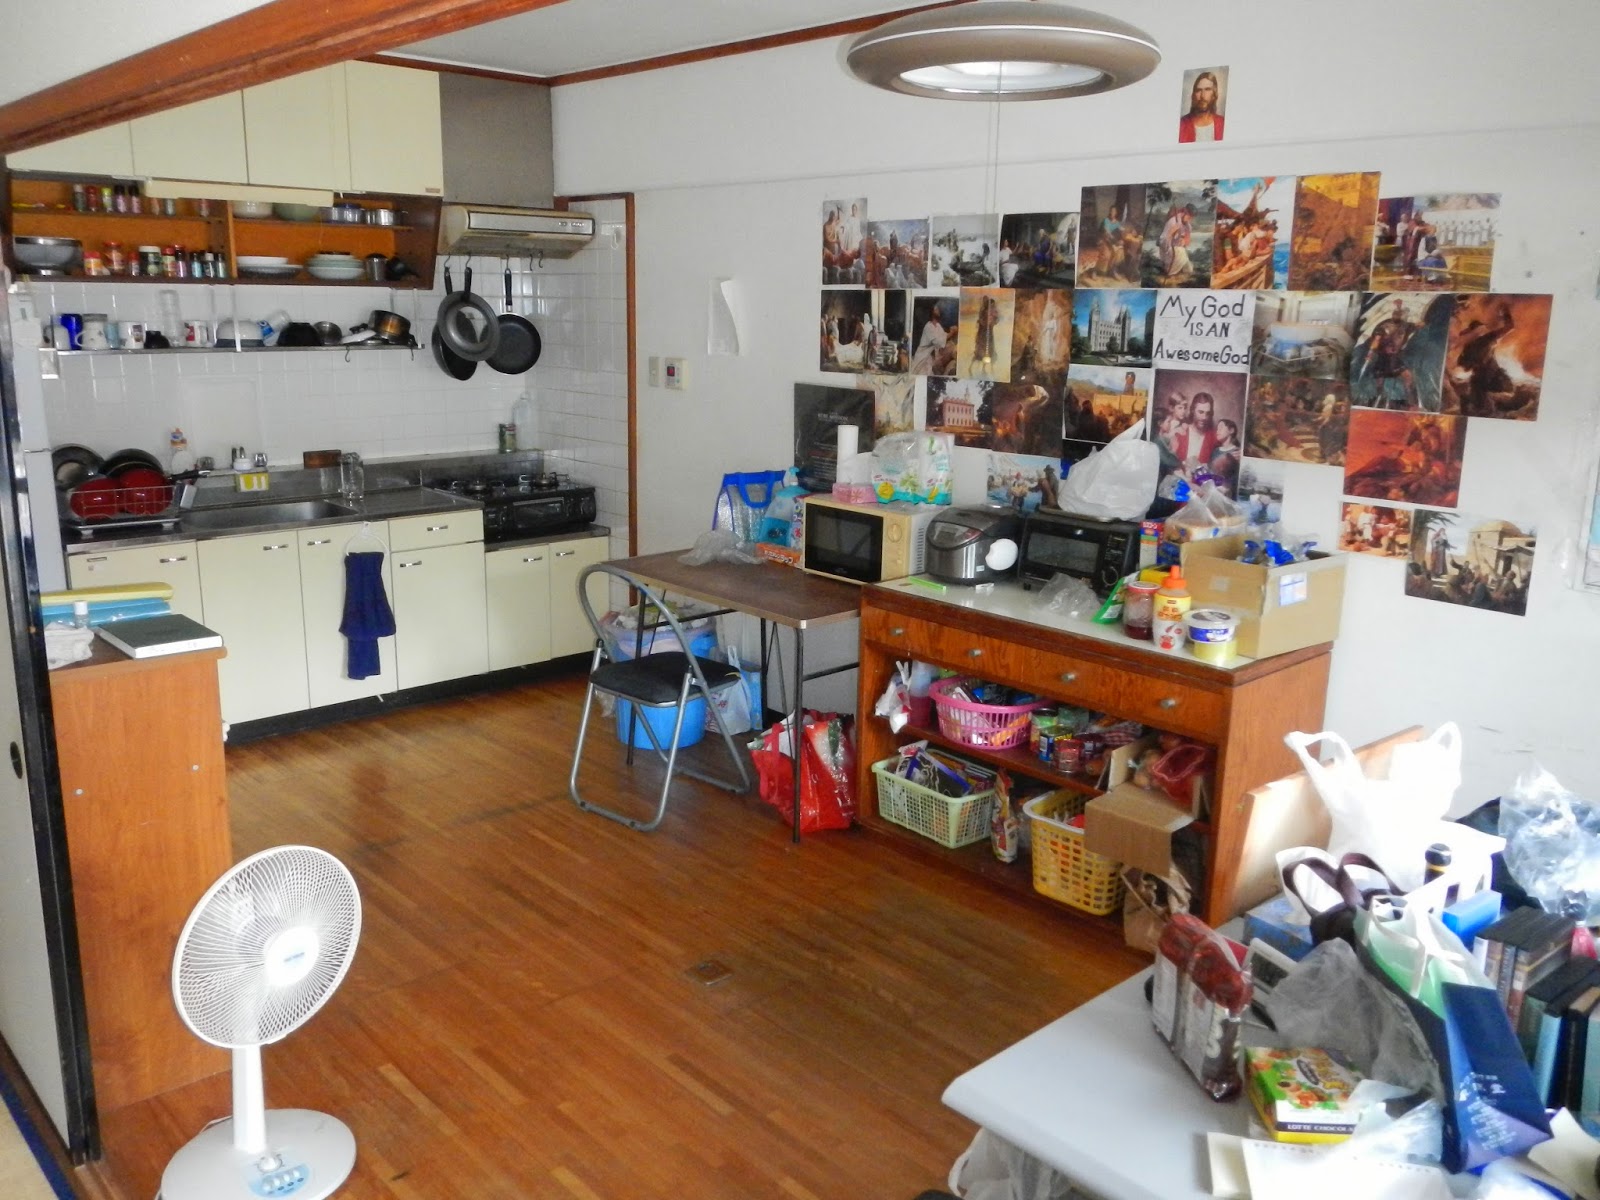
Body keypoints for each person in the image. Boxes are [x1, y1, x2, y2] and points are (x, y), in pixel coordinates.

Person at [1178, 71, 1225, 143]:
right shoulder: (1182, 124)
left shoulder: (1223, 123)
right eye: (1198, 90)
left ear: (1214, 95)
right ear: (1193, 95)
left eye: (1207, 89)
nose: (1202, 95)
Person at [911, 308, 948, 375]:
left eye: (938, 309)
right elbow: (938, 342)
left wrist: (951, 332)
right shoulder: (928, 326)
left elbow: (944, 336)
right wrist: (952, 333)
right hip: (923, 356)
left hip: (932, 357)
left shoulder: (938, 326)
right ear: (932, 313)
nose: (938, 311)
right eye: (936, 309)